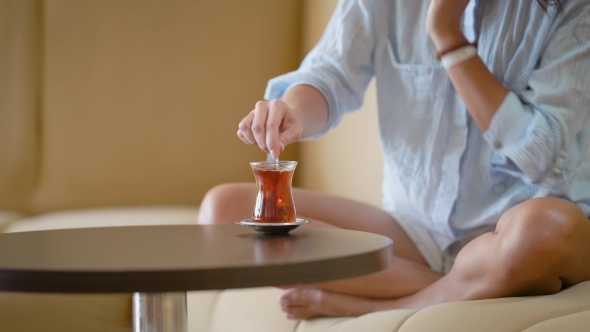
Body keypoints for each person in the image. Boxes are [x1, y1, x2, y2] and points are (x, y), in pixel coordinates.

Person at [198, 0, 590, 320]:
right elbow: (328, 73)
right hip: (415, 232)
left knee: (544, 230)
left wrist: (448, 37)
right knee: (224, 212)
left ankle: (386, 303)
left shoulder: (569, 8)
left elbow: (541, 151)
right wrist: (294, 112)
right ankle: (462, 283)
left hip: (520, 230)